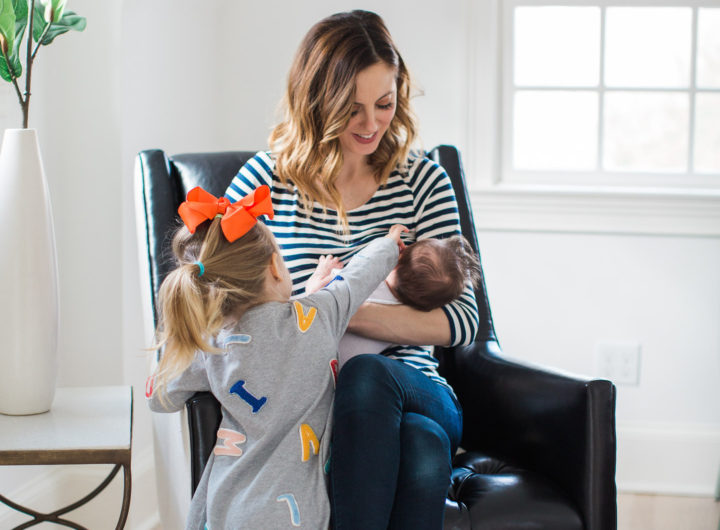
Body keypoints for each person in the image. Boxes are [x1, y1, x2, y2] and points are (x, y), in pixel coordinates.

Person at [225, 10, 479, 529]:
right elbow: (225, 306)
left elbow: (461, 321)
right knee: (424, 449)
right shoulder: (264, 183)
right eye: (351, 109)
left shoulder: (422, 182)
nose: (370, 125)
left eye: (384, 104)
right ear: (316, 102)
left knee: (369, 376)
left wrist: (339, 309)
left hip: (417, 386)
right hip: (308, 404)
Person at [145, 184, 406, 529]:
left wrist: (184, 342)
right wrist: (389, 244)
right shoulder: (319, 315)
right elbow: (358, 276)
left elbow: (159, 399)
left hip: (225, 506)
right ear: (275, 267)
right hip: (293, 513)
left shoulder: (212, 347)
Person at [306, 235, 481, 369]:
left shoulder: (363, 280)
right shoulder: (401, 327)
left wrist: (322, 271)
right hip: (332, 376)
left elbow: (317, 297)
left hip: (303, 347)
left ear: (398, 258)